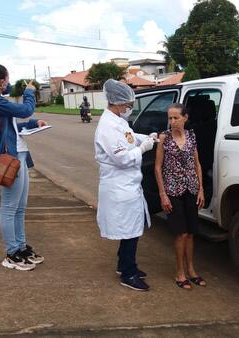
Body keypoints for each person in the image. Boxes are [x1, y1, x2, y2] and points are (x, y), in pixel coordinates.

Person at [0, 63, 46, 271]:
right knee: (9, 207)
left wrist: (33, 124)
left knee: (20, 207)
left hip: (19, 155)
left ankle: (21, 247)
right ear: (1, 82)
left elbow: (12, 125)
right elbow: (25, 110)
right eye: (7, 79)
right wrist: (29, 92)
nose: (9, 83)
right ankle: (11, 253)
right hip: (9, 159)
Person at [94, 79, 157, 291]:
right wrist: (144, 148)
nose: (129, 109)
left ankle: (125, 265)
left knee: (132, 229)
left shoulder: (118, 122)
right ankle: (128, 275)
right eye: (128, 106)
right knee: (129, 230)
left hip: (128, 185)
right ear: (117, 104)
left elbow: (129, 137)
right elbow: (122, 158)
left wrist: (145, 138)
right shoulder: (107, 127)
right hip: (118, 186)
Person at [154, 103, 206, 289]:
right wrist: (162, 194)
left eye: (176, 118)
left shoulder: (191, 136)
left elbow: (197, 164)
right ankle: (180, 272)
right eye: (170, 118)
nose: (172, 121)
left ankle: (191, 270)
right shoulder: (164, 138)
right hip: (172, 191)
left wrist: (201, 189)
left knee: (191, 233)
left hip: (191, 189)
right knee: (180, 233)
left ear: (185, 118)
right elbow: (158, 167)